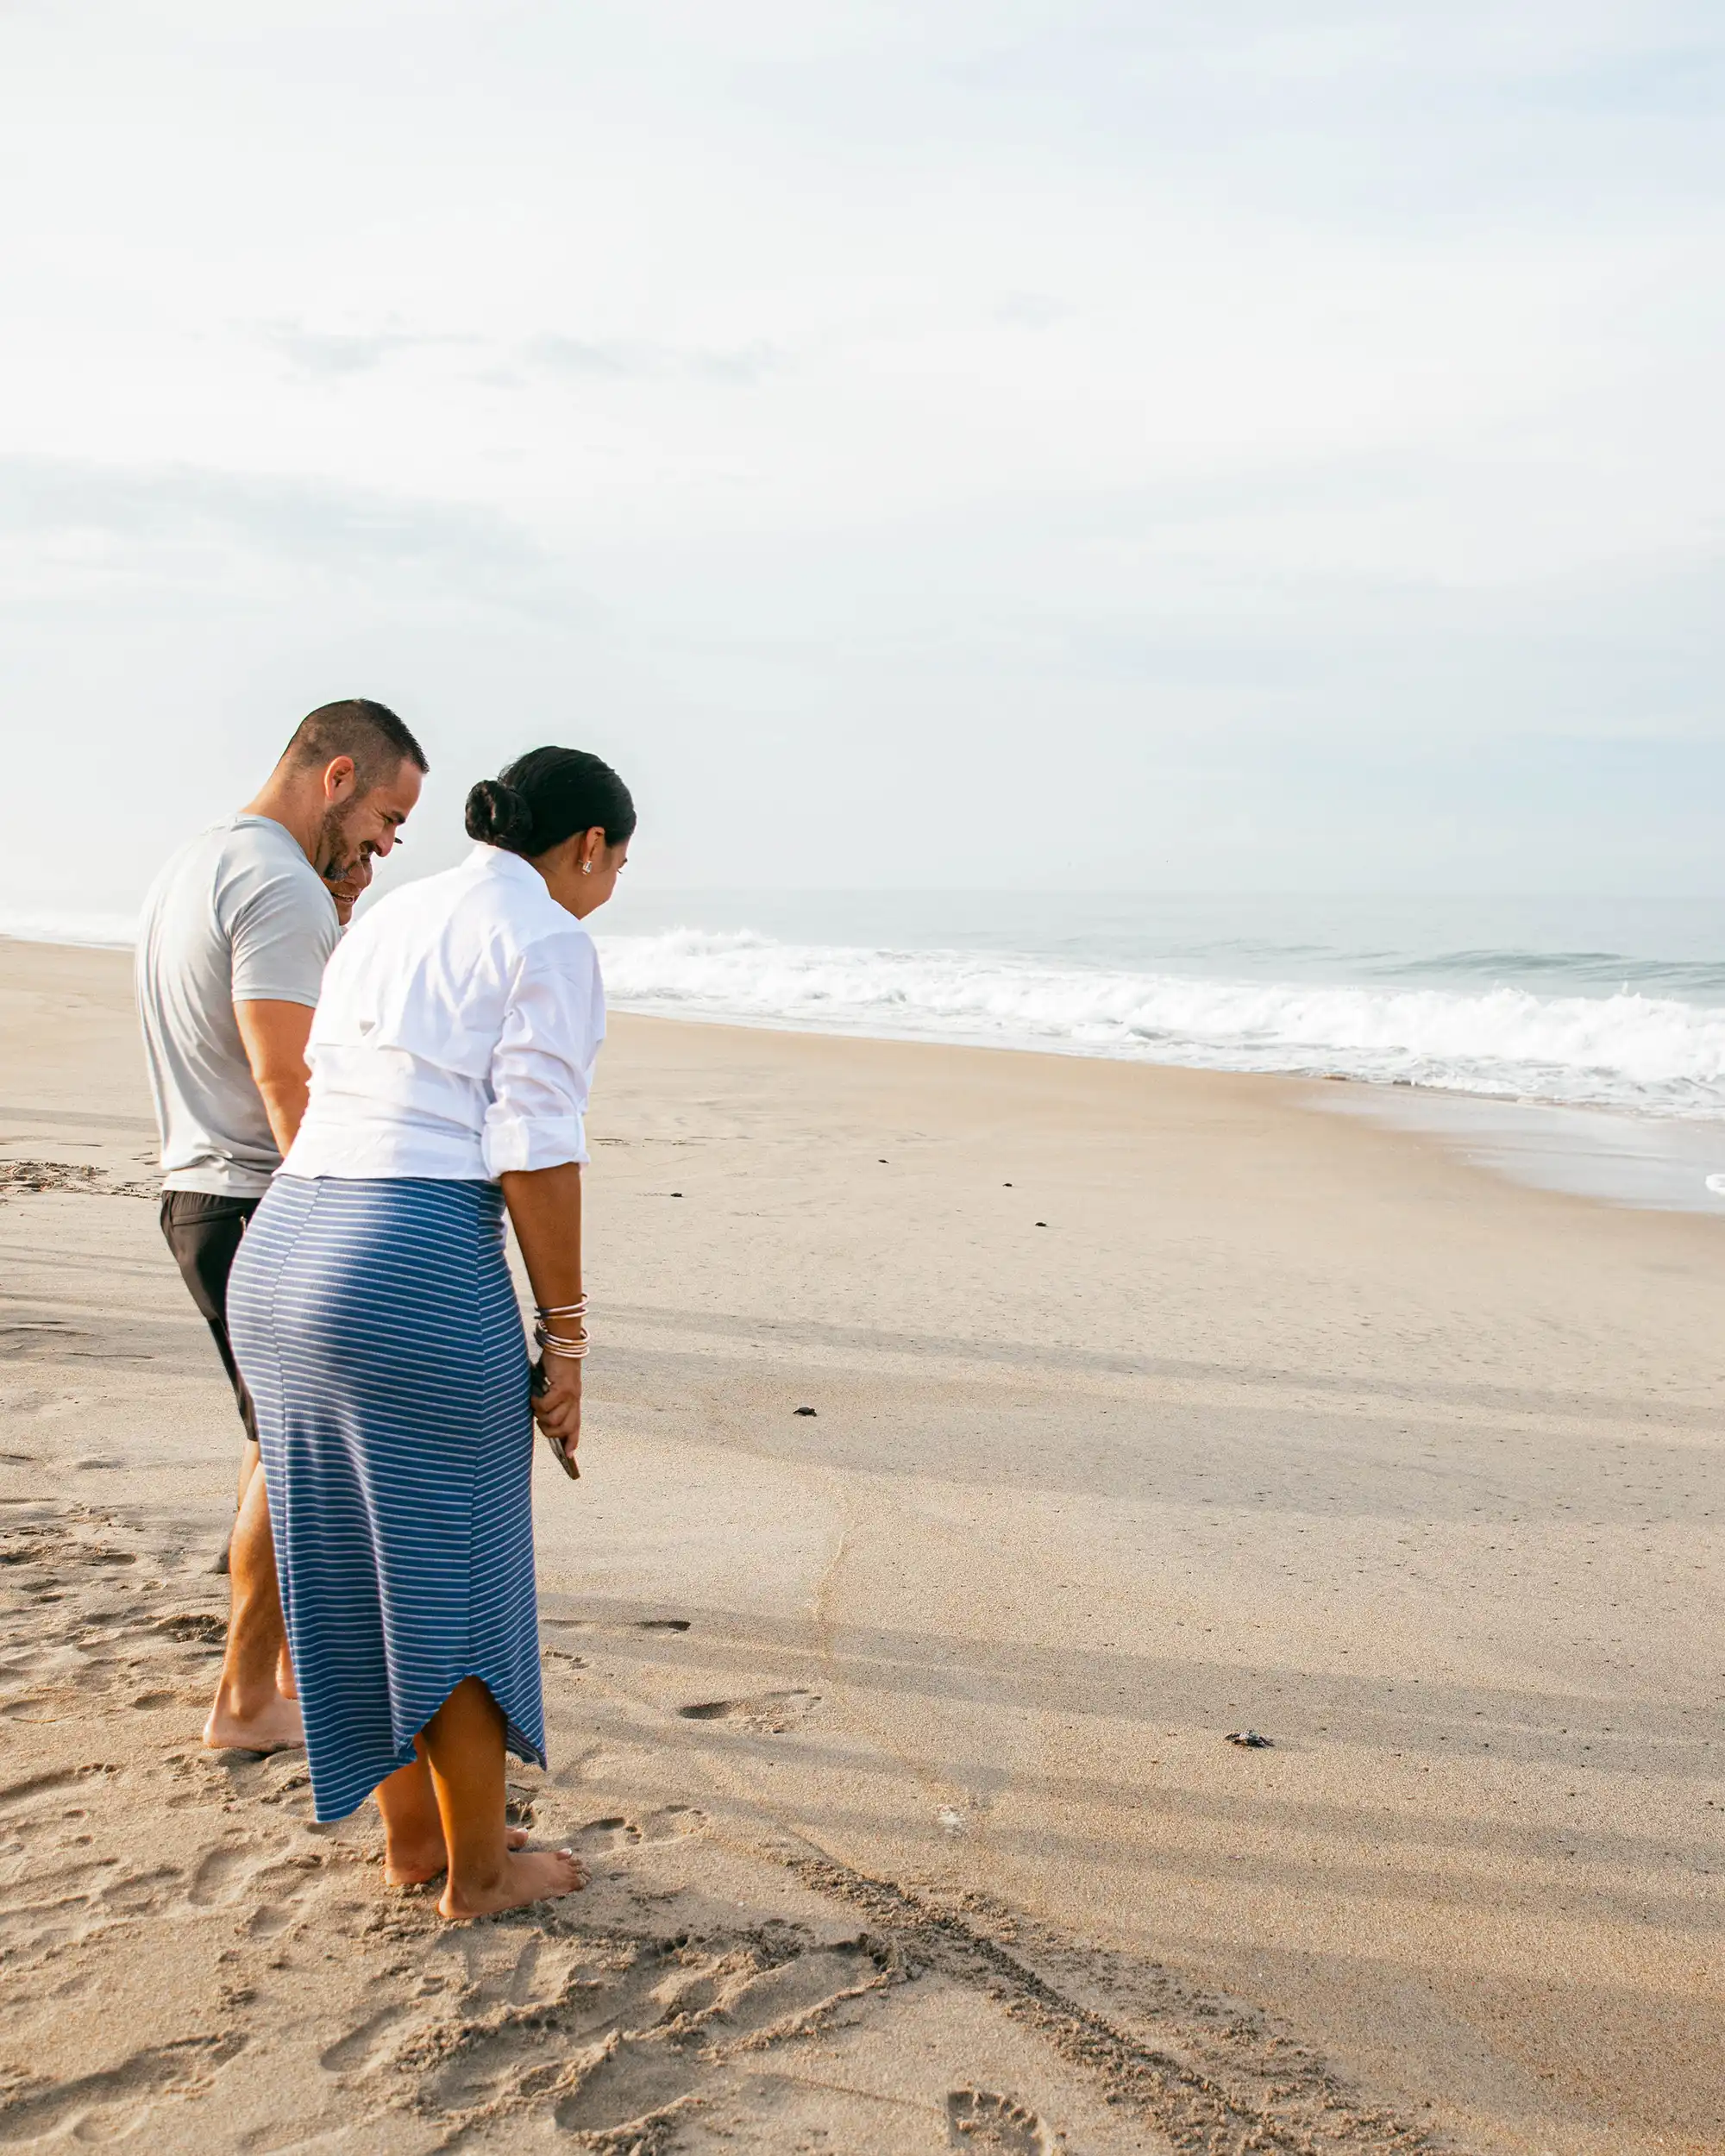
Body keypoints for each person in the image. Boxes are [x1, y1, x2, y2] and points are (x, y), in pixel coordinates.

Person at [227, 746, 634, 1920]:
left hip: (287, 1244)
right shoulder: (548, 935)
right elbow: (534, 1143)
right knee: (456, 1576)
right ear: (590, 847)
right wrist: (565, 1336)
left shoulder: (396, 914)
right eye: (617, 864)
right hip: (400, 1258)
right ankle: (481, 1876)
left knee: (353, 1571)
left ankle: (419, 1845)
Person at [135, 699, 428, 1752]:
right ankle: (248, 1698)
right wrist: (348, 1222)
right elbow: (283, 1078)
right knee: (295, 1457)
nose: (387, 846)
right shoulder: (276, 883)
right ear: (338, 775)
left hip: (201, 1190)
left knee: (284, 1452)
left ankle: (281, 1676)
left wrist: (336, 912)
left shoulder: (199, 863)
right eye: (387, 817)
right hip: (262, 1196)